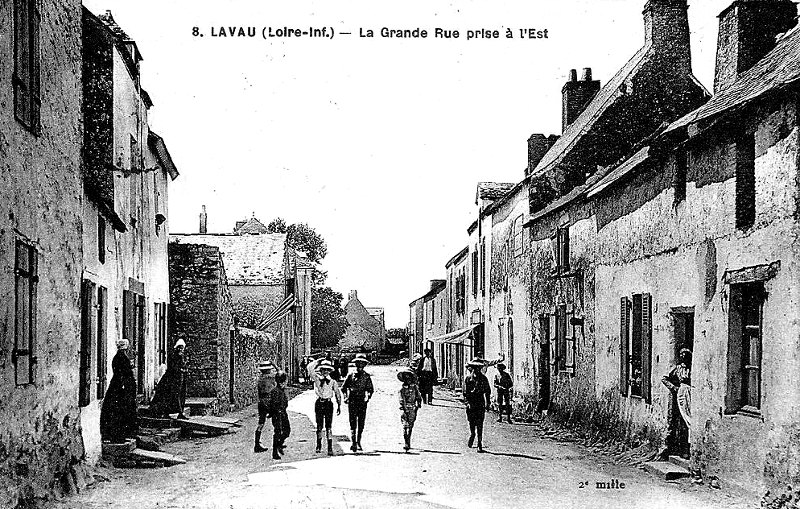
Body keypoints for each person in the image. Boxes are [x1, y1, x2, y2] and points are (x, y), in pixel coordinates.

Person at [100, 339, 138, 443]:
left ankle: (118, 434)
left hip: (118, 385)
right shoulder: (122, 357)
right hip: (120, 387)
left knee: (117, 410)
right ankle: (117, 435)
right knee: (119, 411)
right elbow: (123, 373)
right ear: (125, 347)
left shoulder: (118, 357)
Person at [661, 347, 692, 458]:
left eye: (686, 355)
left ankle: (690, 447)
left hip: (693, 392)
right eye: (682, 355)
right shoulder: (678, 368)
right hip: (683, 392)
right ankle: (684, 449)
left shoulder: (693, 367)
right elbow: (665, 379)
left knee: (691, 419)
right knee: (685, 419)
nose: (684, 357)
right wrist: (674, 388)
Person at [307, 358, 342, 455]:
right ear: (320, 370)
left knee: (329, 426)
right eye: (323, 369)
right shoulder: (316, 379)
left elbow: (337, 394)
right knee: (319, 426)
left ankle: (330, 447)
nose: (325, 372)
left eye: (327, 370)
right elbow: (309, 368)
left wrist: (339, 405)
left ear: (330, 371)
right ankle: (318, 445)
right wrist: (318, 361)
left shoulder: (333, 382)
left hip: (328, 404)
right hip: (319, 403)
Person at [341, 354, 374, 452]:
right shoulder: (350, 375)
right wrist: (345, 397)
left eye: (362, 364)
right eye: (358, 363)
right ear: (355, 364)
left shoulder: (366, 376)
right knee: (352, 422)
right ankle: (353, 442)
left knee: (361, 422)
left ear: (364, 365)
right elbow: (343, 388)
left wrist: (367, 397)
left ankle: (358, 442)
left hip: (362, 401)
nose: (360, 365)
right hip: (352, 400)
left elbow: (370, 389)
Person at [149, 339, 188, 419]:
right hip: (171, 379)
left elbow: (183, 366)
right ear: (176, 348)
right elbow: (172, 367)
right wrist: (180, 369)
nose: (181, 350)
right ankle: (166, 412)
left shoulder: (181, 357)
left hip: (179, 379)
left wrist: (184, 369)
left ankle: (180, 413)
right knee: (168, 395)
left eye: (182, 348)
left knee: (179, 396)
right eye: (179, 348)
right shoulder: (173, 356)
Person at [463, 358, 491, 453]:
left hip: (480, 403)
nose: (476, 370)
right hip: (471, 404)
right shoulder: (468, 379)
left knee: (480, 423)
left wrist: (488, 403)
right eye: (475, 368)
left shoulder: (483, 379)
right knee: (471, 422)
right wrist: (467, 403)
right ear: (472, 368)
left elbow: (487, 391)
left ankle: (479, 443)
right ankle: (472, 434)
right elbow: (465, 393)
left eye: (478, 368)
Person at [264, 370, 290, 460]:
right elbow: (273, 404)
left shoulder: (282, 390)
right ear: (283, 381)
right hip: (277, 414)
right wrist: (275, 412)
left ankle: (279, 444)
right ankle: (275, 452)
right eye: (286, 380)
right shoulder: (275, 391)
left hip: (283, 413)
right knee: (277, 432)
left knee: (287, 431)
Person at [397, 368, 422, 452]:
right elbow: (401, 400)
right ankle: (406, 443)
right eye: (406, 377)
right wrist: (405, 408)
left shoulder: (415, 387)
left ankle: (408, 441)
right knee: (405, 426)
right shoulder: (402, 389)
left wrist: (418, 404)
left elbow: (418, 396)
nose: (408, 379)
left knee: (410, 426)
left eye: (409, 377)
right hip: (404, 409)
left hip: (412, 409)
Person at [254, 360, 276, 453]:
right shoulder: (270, 378)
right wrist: (275, 365)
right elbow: (281, 373)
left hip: (261, 402)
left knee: (261, 423)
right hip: (269, 402)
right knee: (277, 422)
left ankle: (257, 443)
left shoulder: (260, 378)